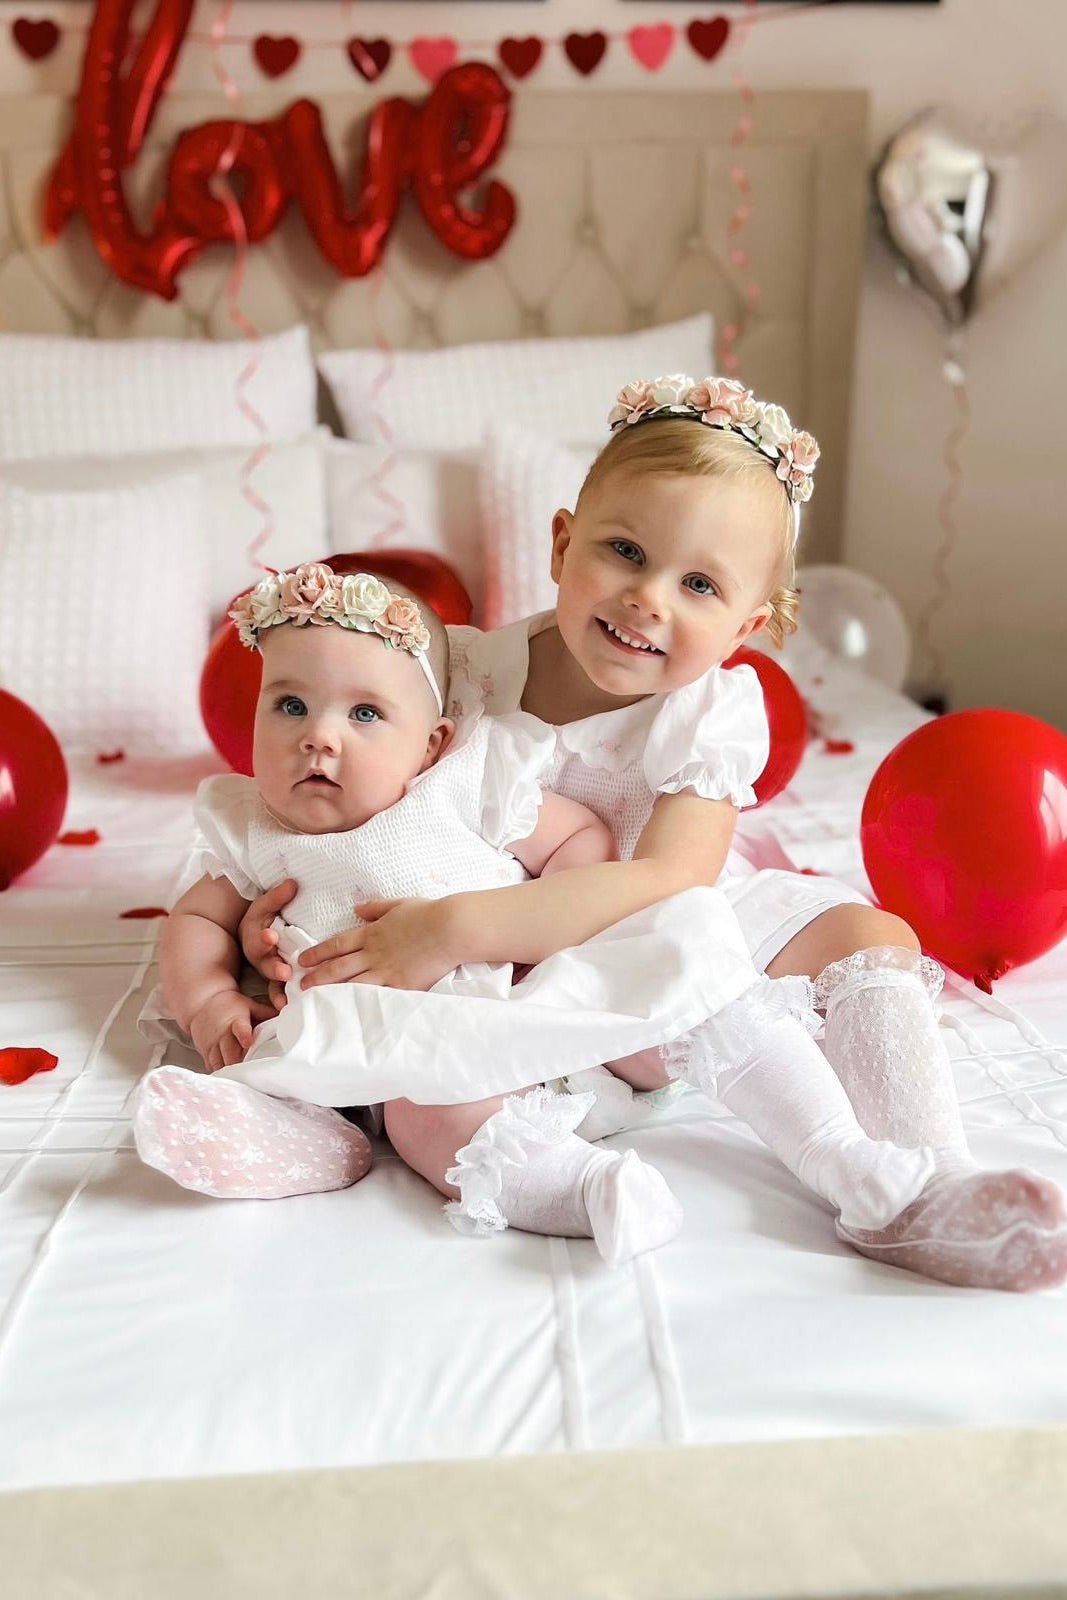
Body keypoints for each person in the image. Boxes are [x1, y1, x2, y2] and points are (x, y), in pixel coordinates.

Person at [237, 376, 1067, 1292]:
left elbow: (674, 881)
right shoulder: (463, 673)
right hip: (508, 967)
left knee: (867, 931)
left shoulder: (707, 713)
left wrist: (455, 924)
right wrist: (278, 918)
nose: (647, 598)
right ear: (562, 544)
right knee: (477, 1044)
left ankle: (930, 1177)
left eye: (698, 584)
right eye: (625, 551)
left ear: (746, 627)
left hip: (643, 917)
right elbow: (347, 810)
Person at [134, 562, 725, 1264]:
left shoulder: (463, 786)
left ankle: (725, 1085)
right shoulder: (250, 826)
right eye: (290, 705)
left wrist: (543, 939)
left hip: (506, 1003)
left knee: (657, 995)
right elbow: (196, 921)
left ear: (431, 744)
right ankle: (575, 1188)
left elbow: (579, 838)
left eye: (364, 714)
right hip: (379, 1055)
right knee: (424, 1120)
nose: (319, 737)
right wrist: (209, 1000)